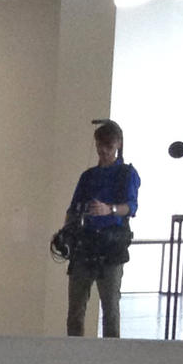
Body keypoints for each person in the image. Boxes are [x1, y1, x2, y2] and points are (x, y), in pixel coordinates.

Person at [63, 120, 138, 339]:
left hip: (111, 247)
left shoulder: (126, 174)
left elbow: (131, 207)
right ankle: (73, 353)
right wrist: (67, 233)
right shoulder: (88, 176)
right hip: (85, 246)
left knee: (110, 310)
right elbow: (73, 208)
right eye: (100, 146)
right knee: (75, 310)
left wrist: (109, 209)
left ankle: (111, 356)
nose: (103, 151)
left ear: (118, 145)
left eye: (108, 146)